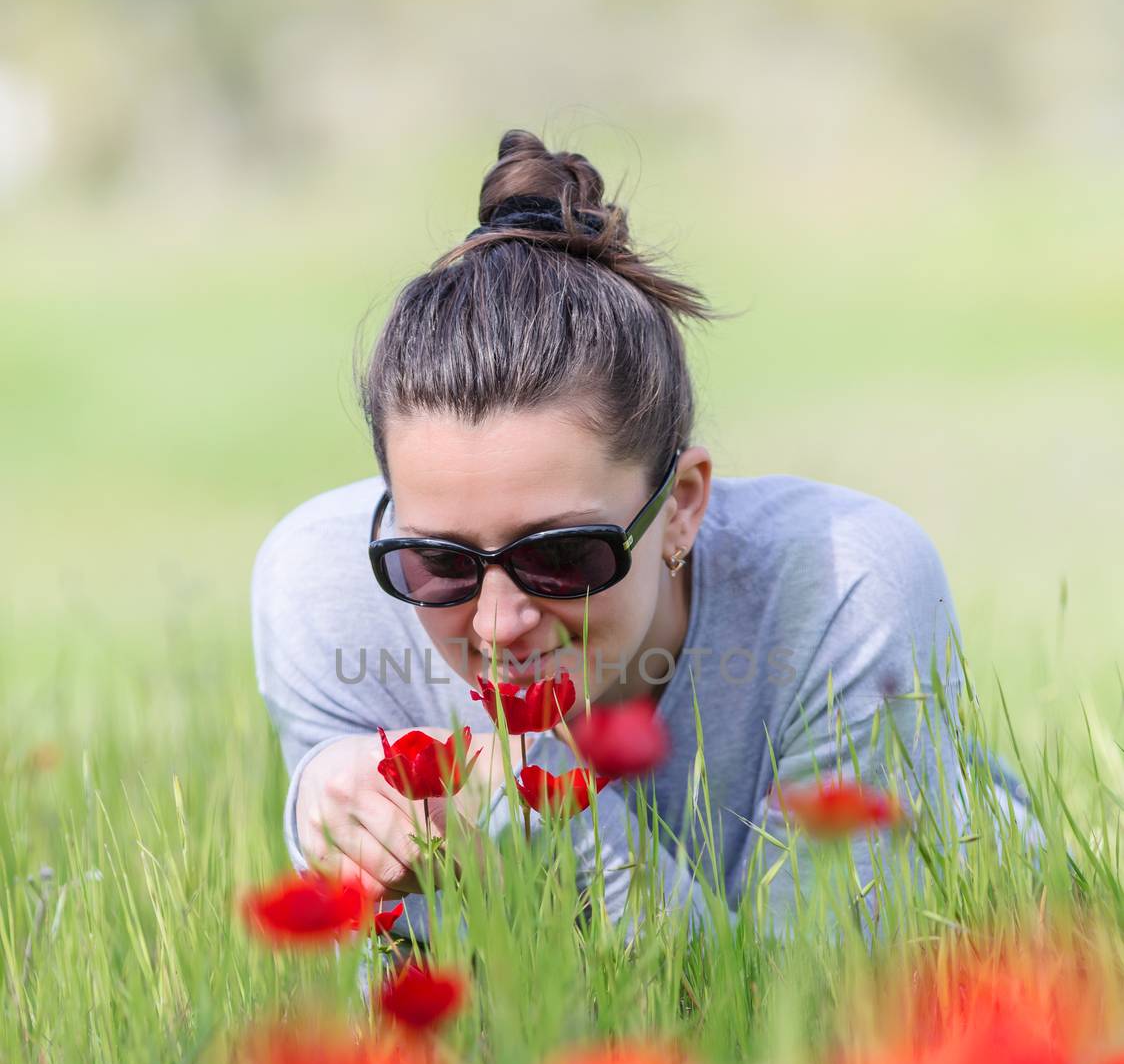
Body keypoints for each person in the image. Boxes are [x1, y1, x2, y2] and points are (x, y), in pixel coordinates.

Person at [251, 128, 1040, 952]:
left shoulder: (840, 585)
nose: (496, 623)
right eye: (440, 561)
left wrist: (541, 798)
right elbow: (413, 1008)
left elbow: (792, 1015)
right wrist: (324, 796)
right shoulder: (326, 588)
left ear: (682, 507)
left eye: (560, 555)